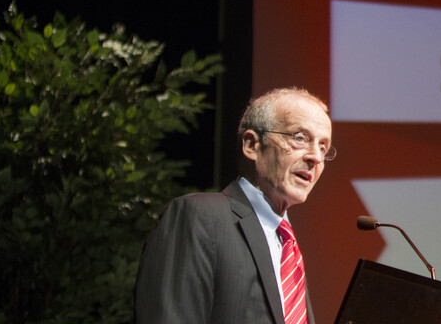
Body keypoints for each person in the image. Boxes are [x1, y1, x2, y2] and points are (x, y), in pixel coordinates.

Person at [135, 87, 334, 324]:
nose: (316, 158)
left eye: (323, 147)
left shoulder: (288, 247)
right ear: (251, 145)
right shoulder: (200, 215)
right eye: (300, 138)